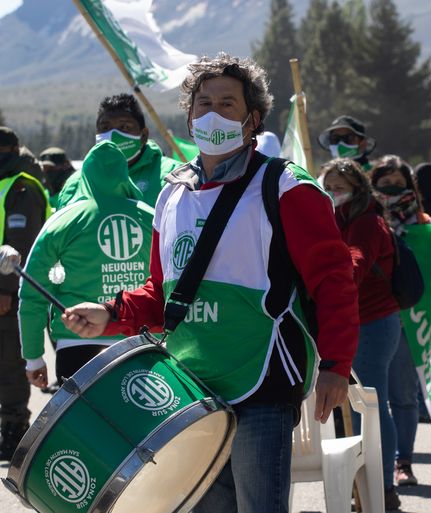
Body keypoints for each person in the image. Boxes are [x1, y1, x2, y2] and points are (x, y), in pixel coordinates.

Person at [58, 53, 358, 513]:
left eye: (228, 104)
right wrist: (110, 314)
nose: (213, 113)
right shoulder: (171, 194)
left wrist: (336, 365)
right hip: (190, 389)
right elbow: (162, 294)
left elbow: (334, 281)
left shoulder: (287, 188)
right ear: (189, 113)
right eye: (203, 103)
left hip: (261, 382)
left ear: (253, 118)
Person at [21, 141, 154, 388]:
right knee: (144, 426)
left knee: (86, 426)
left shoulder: (63, 221)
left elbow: (32, 292)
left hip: (77, 344)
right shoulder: (151, 217)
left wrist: (33, 357)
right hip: (144, 344)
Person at [320, 158, 402, 510]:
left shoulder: (368, 223)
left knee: (372, 406)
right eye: (328, 187)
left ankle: (383, 489)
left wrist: (324, 276)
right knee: (357, 409)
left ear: (356, 188)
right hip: (352, 323)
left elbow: (355, 264)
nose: (333, 193)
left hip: (373, 324)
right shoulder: (339, 218)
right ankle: (362, 487)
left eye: (339, 187)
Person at [370, 155, 431, 487]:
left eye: (398, 182)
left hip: (409, 320)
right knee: (371, 399)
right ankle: (374, 465)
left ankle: (403, 462)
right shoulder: (365, 221)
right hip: (374, 319)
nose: (391, 189)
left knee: (404, 396)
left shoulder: (423, 223)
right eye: (383, 182)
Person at [0, 126, 50, 461]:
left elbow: (20, 243)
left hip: (10, 289)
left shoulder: (22, 186)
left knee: (9, 360)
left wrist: (6, 290)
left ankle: (14, 427)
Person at [57, 93, 181, 208]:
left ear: (143, 136)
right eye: (105, 127)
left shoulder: (172, 176)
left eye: (124, 127)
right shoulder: (76, 184)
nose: (113, 135)